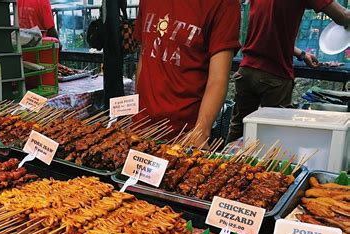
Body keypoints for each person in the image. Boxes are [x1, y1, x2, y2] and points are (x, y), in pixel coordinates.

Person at [226, 0, 350, 144]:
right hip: (275, 77)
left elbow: (271, 32)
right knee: (275, 137)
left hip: (246, 72)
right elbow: (343, 16)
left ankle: (224, 162)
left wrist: (302, 54)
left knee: (238, 128)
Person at [133, 0, 242, 145]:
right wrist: (135, 110)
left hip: (184, 135)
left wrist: (201, 130)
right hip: (140, 127)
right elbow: (144, 55)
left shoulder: (224, 4)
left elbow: (218, 78)